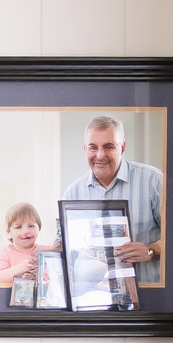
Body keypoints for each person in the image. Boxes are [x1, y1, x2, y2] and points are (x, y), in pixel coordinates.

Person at [59, 115, 162, 285]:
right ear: (85, 149)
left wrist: (151, 250)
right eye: (93, 147)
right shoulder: (72, 193)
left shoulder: (153, 181)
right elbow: (68, 249)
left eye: (108, 147)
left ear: (122, 147)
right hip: (93, 297)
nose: (100, 155)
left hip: (150, 295)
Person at [0, 203, 42, 284]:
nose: (25, 231)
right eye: (18, 227)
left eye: (31, 226)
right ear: (9, 232)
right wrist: (22, 268)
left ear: (39, 228)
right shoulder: (5, 252)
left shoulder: (46, 251)